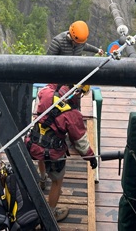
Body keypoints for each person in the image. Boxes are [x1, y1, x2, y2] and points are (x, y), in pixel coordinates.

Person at [25, 83, 97, 222]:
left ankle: (42, 179)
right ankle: (50, 215)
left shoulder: (46, 93)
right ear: (76, 92)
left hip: (34, 143)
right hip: (52, 152)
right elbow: (80, 142)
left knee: (41, 155)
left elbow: (47, 88)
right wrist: (91, 157)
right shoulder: (72, 114)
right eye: (81, 94)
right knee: (57, 182)